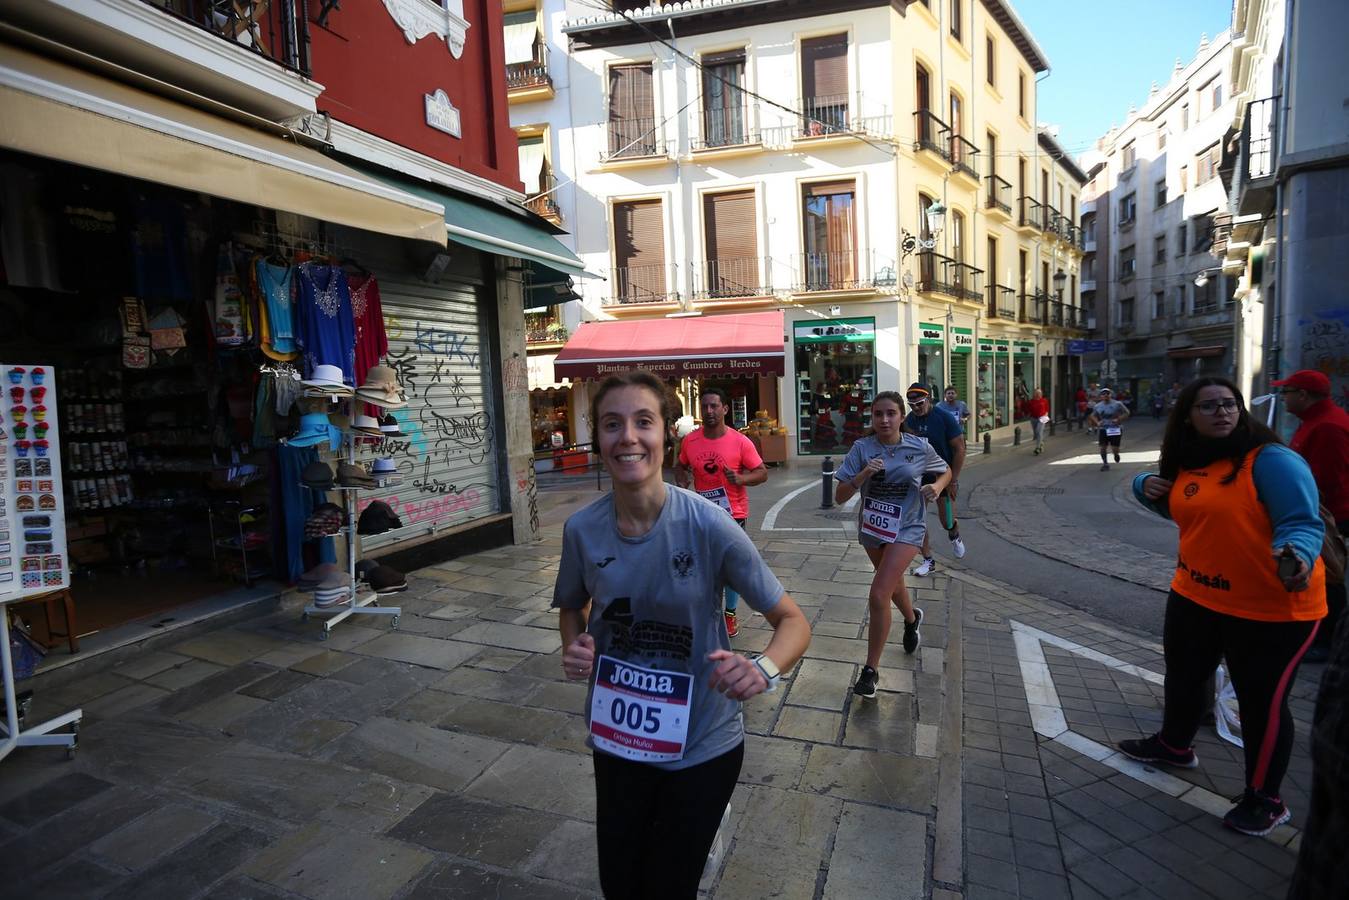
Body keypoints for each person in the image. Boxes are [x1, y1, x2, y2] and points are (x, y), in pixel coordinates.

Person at [555, 370, 811, 898]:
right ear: (598, 437)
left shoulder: (708, 524)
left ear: (667, 434)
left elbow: (793, 622)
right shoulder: (581, 529)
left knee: (669, 886)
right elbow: (571, 608)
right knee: (621, 884)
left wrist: (761, 668)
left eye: (643, 422)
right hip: (618, 737)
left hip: (701, 741)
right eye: (611, 424)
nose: (627, 436)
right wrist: (574, 643)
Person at [1122, 377, 1325, 837]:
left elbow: (1302, 521)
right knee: (1185, 676)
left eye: (1230, 404)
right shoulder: (1191, 461)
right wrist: (1141, 483)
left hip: (1271, 609)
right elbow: (1181, 507)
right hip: (1196, 595)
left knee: (1262, 705)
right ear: (1188, 417)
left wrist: (1294, 550)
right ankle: (1175, 746)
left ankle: (1266, 800)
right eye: (1209, 406)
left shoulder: (1271, 461)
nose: (1222, 412)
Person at [834, 391, 950, 697]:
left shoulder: (918, 446)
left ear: (901, 416)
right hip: (874, 528)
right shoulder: (862, 448)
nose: (884, 420)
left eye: (891, 413)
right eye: (878, 414)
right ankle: (912, 620)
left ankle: (870, 671)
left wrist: (936, 486)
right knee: (893, 581)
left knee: (879, 592)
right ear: (872, 418)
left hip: (908, 528)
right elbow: (839, 496)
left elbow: (945, 470)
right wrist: (863, 475)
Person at [676, 387, 768, 638]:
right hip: (701, 512)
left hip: (733, 512)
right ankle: (705, 610)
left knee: (730, 566)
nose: (709, 411)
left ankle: (729, 613)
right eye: (705, 406)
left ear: (725, 409)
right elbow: (680, 465)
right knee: (701, 564)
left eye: (714, 406)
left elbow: (762, 472)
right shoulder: (690, 441)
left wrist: (739, 478)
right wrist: (682, 480)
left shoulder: (740, 441)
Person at [899, 383, 966, 576]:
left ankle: (954, 534)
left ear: (928, 399)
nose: (916, 408)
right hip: (918, 477)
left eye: (919, 403)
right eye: (912, 405)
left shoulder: (943, 417)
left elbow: (960, 448)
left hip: (943, 475)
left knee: (947, 520)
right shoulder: (909, 421)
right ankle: (928, 560)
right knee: (916, 520)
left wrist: (953, 479)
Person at [1087, 386, 1130, 471]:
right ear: (1101, 396)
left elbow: (1127, 412)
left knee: (1114, 448)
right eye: (1103, 394)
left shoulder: (1118, 404)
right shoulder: (1098, 406)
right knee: (1103, 447)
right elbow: (1092, 415)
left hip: (1115, 428)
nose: (1106, 395)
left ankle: (1116, 454)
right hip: (1103, 428)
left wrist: (1119, 419)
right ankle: (1105, 463)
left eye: (1107, 393)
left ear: (1110, 395)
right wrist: (1097, 422)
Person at [1028, 388, 1050, 455]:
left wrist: (1045, 416)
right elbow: (1029, 410)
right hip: (1033, 418)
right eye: (1037, 393)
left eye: (1039, 393)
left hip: (1042, 417)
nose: (1038, 394)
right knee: (1036, 433)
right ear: (1034, 394)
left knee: (1039, 431)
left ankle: (1037, 448)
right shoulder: (1031, 401)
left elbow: (1047, 409)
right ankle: (1041, 443)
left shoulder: (1044, 400)